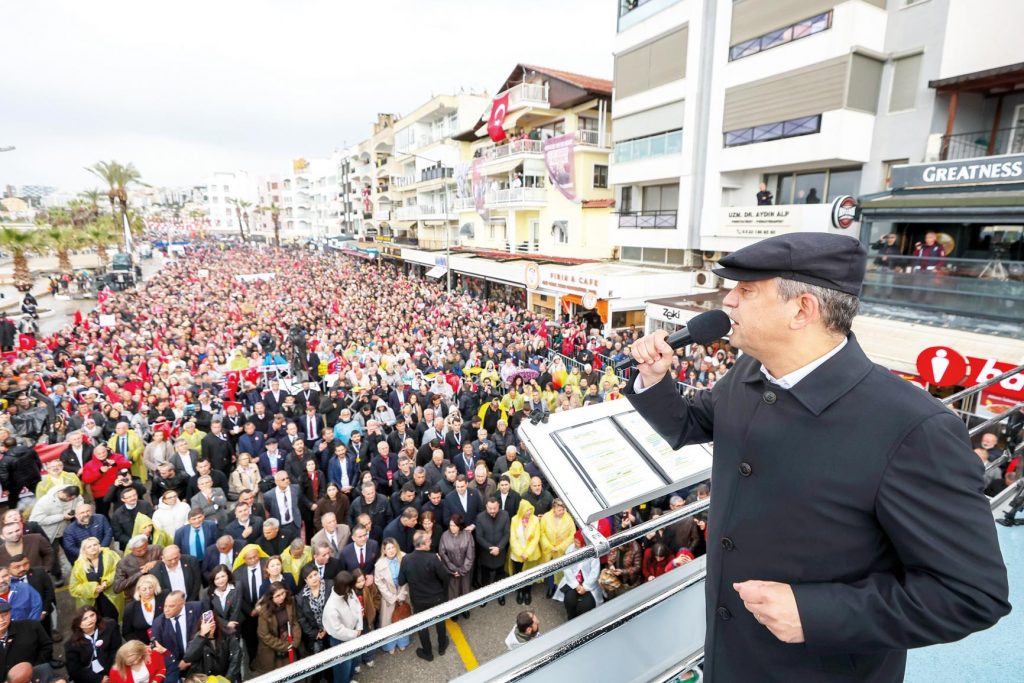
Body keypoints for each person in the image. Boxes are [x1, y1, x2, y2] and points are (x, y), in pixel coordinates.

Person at [624, 232, 1009, 680]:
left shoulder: (914, 427)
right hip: (730, 655)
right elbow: (690, 423)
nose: (727, 301)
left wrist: (815, 613)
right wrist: (655, 379)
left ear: (802, 310)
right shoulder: (749, 371)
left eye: (746, 290)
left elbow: (971, 594)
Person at [398, 530, 449, 662]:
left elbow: (401, 581)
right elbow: (444, 577)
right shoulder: (433, 558)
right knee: (440, 621)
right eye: (428, 541)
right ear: (422, 544)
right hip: (436, 597)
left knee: (422, 626)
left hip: (418, 600)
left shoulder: (406, 559)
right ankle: (442, 647)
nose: (430, 542)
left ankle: (427, 653)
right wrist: (444, 594)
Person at [150, 591, 202, 683]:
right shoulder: (158, 623)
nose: (166, 610)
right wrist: (176, 664)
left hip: (198, 663)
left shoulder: (197, 608)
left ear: (182, 604)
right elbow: (158, 651)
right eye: (165, 606)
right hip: (174, 668)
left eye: (171, 606)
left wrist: (190, 659)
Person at [68, 536, 123, 620]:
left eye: (95, 545)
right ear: (84, 550)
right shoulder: (79, 566)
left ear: (99, 545)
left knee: (113, 619)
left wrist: (107, 581)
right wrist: (92, 588)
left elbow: (120, 569)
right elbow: (73, 588)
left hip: (111, 598)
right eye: (89, 547)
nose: (93, 547)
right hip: (91, 603)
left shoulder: (110, 555)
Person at [322, 571, 362, 683]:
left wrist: (359, 626)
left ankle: (349, 680)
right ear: (343, 587)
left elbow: (357, 607)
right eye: (349, 586)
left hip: (353, 632)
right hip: (339, 640)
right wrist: (355, 633)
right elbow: (337, 631)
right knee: (343, 668)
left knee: (352, 661)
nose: (352, 589)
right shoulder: (331, 607)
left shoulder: (349, 591)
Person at [64, 605, 122, 683]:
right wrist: (98, 679)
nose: (90, 620)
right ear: (78, 624)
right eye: (85, 619)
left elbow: (116, 650)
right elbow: (75, 670)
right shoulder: (71, 644)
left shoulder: (110, 626)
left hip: (110, 669)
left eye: (92, 615)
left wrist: (111, 672)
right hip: (89, 677)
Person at [373, 537, 411, 654]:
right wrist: (392, 598)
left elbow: (408, 578)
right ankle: (390, 645)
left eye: (393, 547)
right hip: (388, 599)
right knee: (389, 622)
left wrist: (402, 595)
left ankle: (403, 642)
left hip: (403, 594)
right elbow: (379, 583)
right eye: (388, 548)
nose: (391, 550)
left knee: (403, 618)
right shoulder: (379, 564)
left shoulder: (404, 557)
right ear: (384, 550)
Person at [254, 581, 301, 674]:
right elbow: (264, 635)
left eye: (283, 593)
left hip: (289, 641)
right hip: (273, 649)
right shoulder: (264, 610)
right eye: (278, 596)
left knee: (293, 673)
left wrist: (295, 641)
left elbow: (294, 622)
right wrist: (285, 646)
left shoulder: (289, 602)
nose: (282, 597)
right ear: (271, 598)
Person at [554, 531, 602, 620]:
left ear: (584, 543)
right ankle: (571, 617)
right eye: (575, 541)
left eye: (578, 542)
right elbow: (567, 567)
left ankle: (581, 620)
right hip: (573, 580)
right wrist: (576, 585)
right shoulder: (570, 549)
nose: (575, 544)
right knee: (569, 600)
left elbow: (595, 572)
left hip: (588, 582)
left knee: (587, 605)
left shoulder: (592, 552)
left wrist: (585, 587)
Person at [474, 497, 510, 604]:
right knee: (485, 577)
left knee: (500, 576)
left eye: (495, 508)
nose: (492, 511)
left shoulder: (505, 515)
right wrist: (491, 548)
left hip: (500, 552)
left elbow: (506, 534)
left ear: (499, 506)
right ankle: (484, 597)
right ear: (486, 506)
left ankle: (500, 594)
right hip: (486, 553)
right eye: (490, 508)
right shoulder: (480, 517)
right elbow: (479, 537)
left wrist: (499, 548)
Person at [539, 498, 576, 597]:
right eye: (559, 510)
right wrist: (549, 546)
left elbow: (572, 535)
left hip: (561, 551)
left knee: (560, 570)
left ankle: (559, 587)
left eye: (563, 509)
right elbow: (542, 533)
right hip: (549, 550)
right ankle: (550, 587)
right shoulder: (546, 517)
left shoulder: (568, 519)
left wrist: (560, 547)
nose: (562, 512)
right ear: (553, 509)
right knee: (550, 569)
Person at [438, 514, 474, 611]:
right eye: (451, 525)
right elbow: (442, 554)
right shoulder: (444, 536)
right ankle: (454, 611)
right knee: (453, 592)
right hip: (451, 571)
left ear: (460, 526)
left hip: (465, 569)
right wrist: (453, 570)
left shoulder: (467, 536)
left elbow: (470, 556)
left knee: (465, 589)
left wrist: (462, 570)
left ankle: (465, 609)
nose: (452, 528)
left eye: (455, 525)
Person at [508, 500, 541, 605]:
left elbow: (536, 538)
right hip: (518, 554)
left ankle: (527, 592)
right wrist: (520, 553)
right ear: (522, 510)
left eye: (530, 509)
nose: (529, 512)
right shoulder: (514, 519)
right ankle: (520, 591)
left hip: (531, 553)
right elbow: (513, 538)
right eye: (527, 510)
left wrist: (527, 553)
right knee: (518, 573)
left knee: (529, 574)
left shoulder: (535, 520)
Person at [296, 564, 330, 658]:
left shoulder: (330, 585)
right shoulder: (301, 597)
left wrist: (327, 629)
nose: (314, 578)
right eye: (310, 577)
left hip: (333, 628)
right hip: (316, 634)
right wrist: (315, 633)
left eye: (315, 574)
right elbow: (302, 619)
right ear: (306, 580)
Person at [121, 574, 161, 643]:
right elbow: (127, 633)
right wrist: (140, 645)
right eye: (144, 589)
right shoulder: (130, 608)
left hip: (163, 642)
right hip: (142, 645)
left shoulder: (163, 600)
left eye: (150, 588)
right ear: (138, 590)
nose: (148, 591)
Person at [202, 564, 241, 634]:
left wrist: (232, 624)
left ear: (228, 575)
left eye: (223, 576)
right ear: (213, 580)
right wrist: (226, 623)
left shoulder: (237, 586)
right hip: (218, 627)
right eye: (217, 578)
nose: (221, 580)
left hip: (235, 624)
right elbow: (208, 613)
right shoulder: (207, 592)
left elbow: (236, 609)